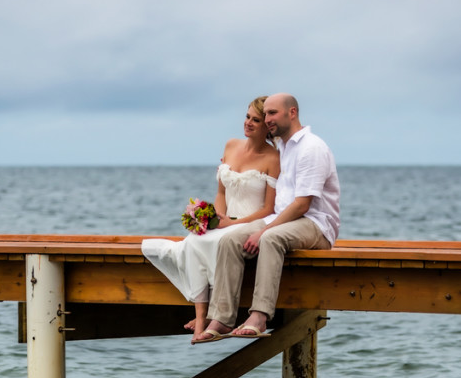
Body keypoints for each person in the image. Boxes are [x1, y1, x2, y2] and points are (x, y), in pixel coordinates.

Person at [193, 94, 340, 343]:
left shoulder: (311, 148)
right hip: (282, 218)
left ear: (292, 113)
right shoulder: (283, 146)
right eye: (267, 114)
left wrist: (263, 230)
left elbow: (303, 205)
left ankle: (259, 316)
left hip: (315, 223)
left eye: (273, 113)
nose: (268, 119)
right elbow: (257, 153)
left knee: (270, 238)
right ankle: (222, 318)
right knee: (230, 240)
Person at [141, 97, 280, 342]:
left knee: (218, 243)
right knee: (196, 240)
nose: (248, 123)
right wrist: (215, 218)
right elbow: (221, 192)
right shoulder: (230, 145)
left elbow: (269, 208)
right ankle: (201, 314)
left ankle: (214, 316)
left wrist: (233, 224)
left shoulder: (273, 158)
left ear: (267, 126)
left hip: (251, 221)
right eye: (247, 116)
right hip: (227, 219)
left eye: (255, 120)